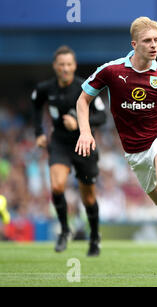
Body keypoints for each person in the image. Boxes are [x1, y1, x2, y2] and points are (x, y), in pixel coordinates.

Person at [75, 17, 157, 261]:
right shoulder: (111, 71)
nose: (154, 45)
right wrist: (85, 131)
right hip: (135, 150)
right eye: (147, 41)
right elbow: (83, 100)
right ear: (134, 44)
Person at [32, 45, 107, 256]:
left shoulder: (86, 87)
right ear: (55, 66)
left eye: (69, 64)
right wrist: (39, 132)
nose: (65, 68)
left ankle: (94, 237)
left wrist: (79, 122)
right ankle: (65, 230)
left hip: (84, 145)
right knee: (56, 187)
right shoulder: (46, 89)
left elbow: (102, 116)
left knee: (88, 199)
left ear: (74, 66)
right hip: (60, 144)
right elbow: (36, 105)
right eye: (61, 64)